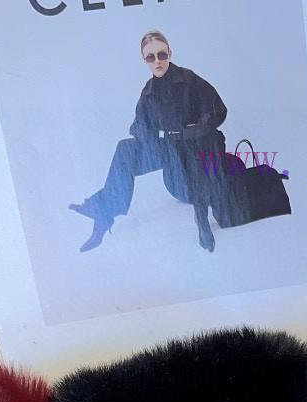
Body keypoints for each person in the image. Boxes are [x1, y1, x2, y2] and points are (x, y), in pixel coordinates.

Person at [70, 32, 228, 253]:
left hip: (202, 166)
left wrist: (194, 131)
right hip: (175, 173)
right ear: (144, 59)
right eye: (150, 57)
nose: (157, 61)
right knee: (125, 149)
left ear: (170, 53)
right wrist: (143, 130)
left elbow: (218, 110)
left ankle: (203, 222)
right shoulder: (149, 92)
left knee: (195, 149)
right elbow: (137, 125)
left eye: (162, 55)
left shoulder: (189, 80)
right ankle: (103, 213)